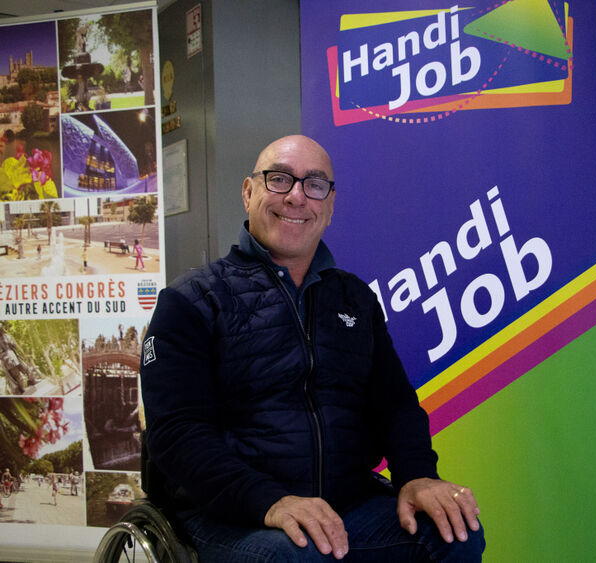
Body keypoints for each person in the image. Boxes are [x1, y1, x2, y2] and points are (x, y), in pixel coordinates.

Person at [141, 135, 484, 562]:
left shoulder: (355, 299)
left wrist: (417, 476)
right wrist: (270, 501)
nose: (297, 196)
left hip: (346, 507)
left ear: (330, 204)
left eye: (315, 184)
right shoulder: (191, 300)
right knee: (299, 553)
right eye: (279, 179)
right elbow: (177, 433)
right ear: (248, 192)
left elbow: (395, 405)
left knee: (454, 532)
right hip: (233, 514)